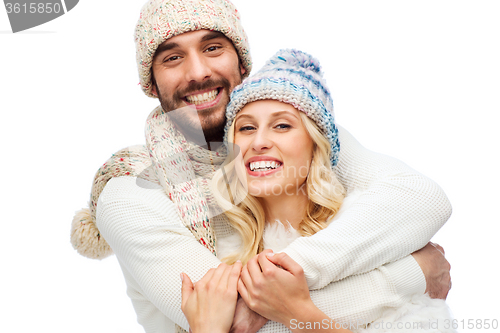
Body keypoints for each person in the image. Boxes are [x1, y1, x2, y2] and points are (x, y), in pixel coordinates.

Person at [70, 0, 452, 332]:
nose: (198, 72)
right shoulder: (129, 191)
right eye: (172, 57)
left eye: (213, 47)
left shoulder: (300, 132)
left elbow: (422, 198)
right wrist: (414, 272)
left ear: (241, 62)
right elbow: (237, 323)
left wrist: (283, 279)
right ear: (152, 83)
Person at [179, 49, 453, 333]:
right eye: (246, 128)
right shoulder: (215, 256)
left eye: (282, 125)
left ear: (316, 146)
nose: (259, 141)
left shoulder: (373, 239)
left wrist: (296, 311)